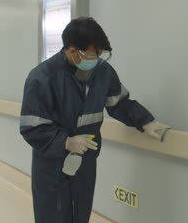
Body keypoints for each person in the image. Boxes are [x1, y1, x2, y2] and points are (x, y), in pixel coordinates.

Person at [19, 17, 170, 223]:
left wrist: (146, 121)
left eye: (100, 53)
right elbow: (32, 128)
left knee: (81, 214)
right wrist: (66, 141)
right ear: (72, 51)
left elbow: (119, 103)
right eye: (92, 54)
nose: (97, 58)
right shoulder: (42, 78)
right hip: (52, 166)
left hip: (85, 162)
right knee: (53, 216)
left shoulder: (102, 72)